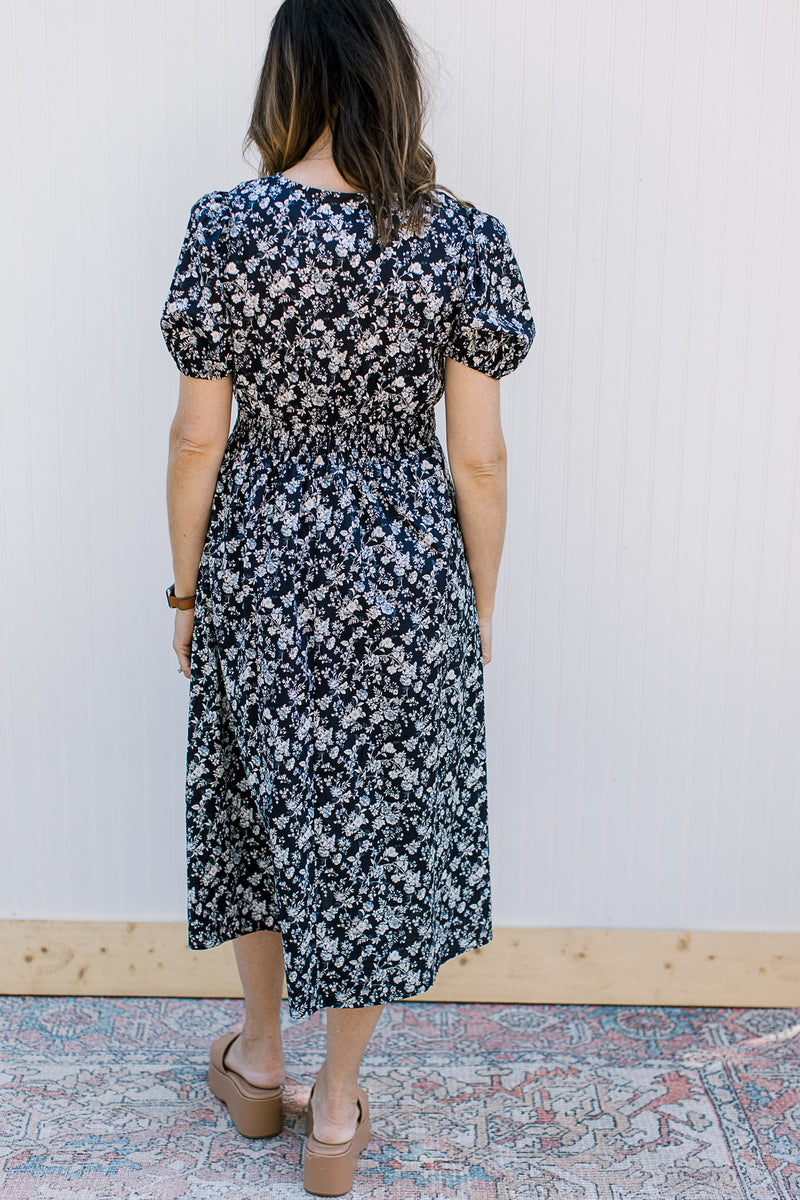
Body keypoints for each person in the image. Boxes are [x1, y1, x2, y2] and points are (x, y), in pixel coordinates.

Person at [161, 0, 535, 1192]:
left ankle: (257, 1066)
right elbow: (478, 458)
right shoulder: (459, 239)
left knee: (262, 809)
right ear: (392, 81)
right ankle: (332, 1113)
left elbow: (193, 443)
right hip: (403, 572)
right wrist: (470, 603)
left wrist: (184, 594)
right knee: (375, 833)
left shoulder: (227, 229)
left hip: (261, 567)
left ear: (287, 79)